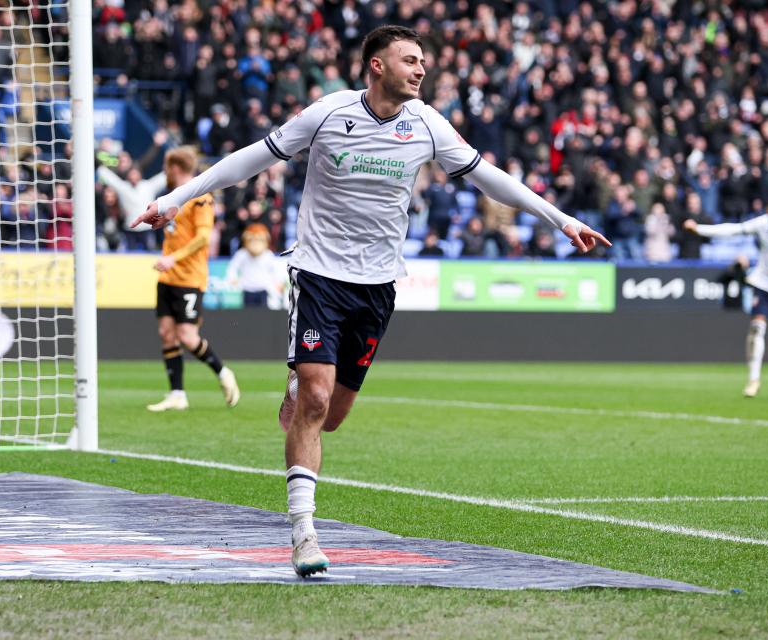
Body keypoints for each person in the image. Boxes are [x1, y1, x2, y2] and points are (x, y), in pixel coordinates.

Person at [132, 26, 609, 578]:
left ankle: (299, 391)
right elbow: (248, 161)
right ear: (377, 66)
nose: (422, 69)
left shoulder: (427, 124)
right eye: (410, 60)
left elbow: (491, 180)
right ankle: (303, 533)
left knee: (331, 416)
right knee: (314, 398)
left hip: (378, 286)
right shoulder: (329, 113)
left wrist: (563, 220)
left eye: (423, 60)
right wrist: (172, 199)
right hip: (318, 274)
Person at [684, 197, 768, 397]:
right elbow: (734, 229)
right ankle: (753, 379)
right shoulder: (763, 223)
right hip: (763, 282)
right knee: (757, 326)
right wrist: (700, 229)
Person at [145, 147, 240, 413]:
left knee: (187, 336)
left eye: (167, 166)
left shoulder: (201, 198)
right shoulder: (170, 197)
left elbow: (202, 238)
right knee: (166, 334)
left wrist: (174, 257)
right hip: (168, 276)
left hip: (189, 276)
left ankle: (223, 373)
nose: (166, 171)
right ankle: (177, 394)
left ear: (176, 167)